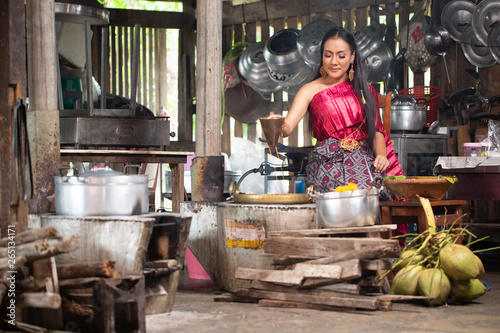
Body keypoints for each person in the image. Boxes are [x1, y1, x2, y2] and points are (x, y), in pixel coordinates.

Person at [281, 26, 407, 242]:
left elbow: (377, 132)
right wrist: (276, 127)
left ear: (352, 57)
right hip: (326, 161)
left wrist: (382, 156)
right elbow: (287, 126)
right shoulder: (309, 90)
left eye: (341, 55)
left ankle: (374, 254)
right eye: (328, 55)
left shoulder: (366, 90)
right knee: (340, 195)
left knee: (368, 193)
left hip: (363, 160)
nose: (333, 61)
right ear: (322, 56)